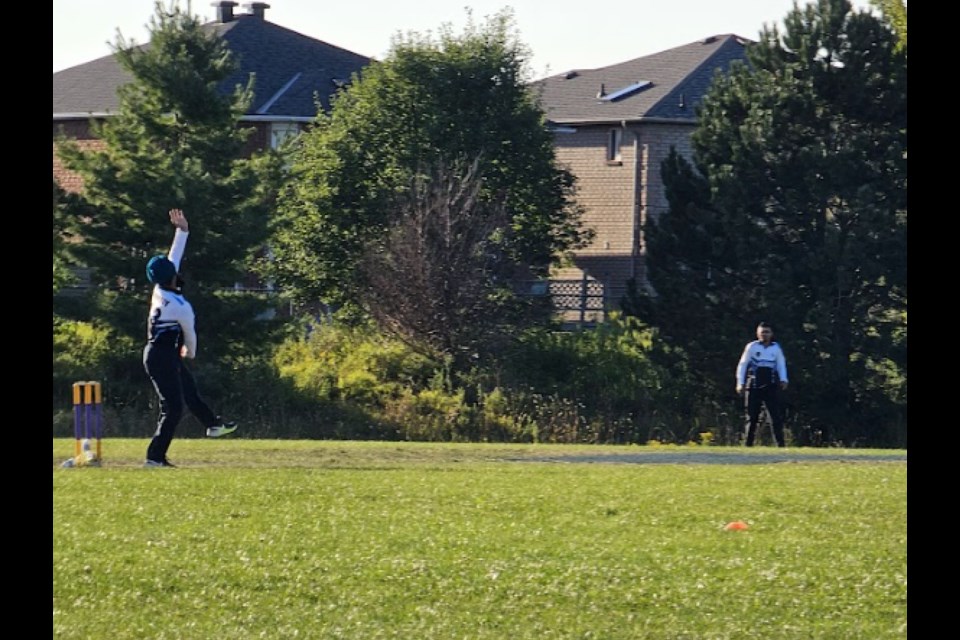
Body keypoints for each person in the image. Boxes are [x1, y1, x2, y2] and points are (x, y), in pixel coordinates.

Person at [142, 208, 237, 467]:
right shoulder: (179, 306)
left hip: (161, 354)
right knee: (173, 407)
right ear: (171, 276)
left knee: (189, 391)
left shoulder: (160, 289)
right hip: (161, 356)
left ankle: (213, 425)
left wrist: (182, 230)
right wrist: (190, 354)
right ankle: (154, 457)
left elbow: (174, 258)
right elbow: (190, 336)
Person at [735, 321, 789, 447]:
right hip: (753, 385)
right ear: (758, 333)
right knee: (752, 417)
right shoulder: (752, 347)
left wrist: (784, 379)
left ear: (771, 334)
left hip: (770, 385)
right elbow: (742, 365)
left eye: (767, 332)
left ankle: (780, 445)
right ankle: (748, 445)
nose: (764, 335)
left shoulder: (776, 348)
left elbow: (781, 364)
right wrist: (740, 383)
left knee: (775, 417)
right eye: (762, 332)